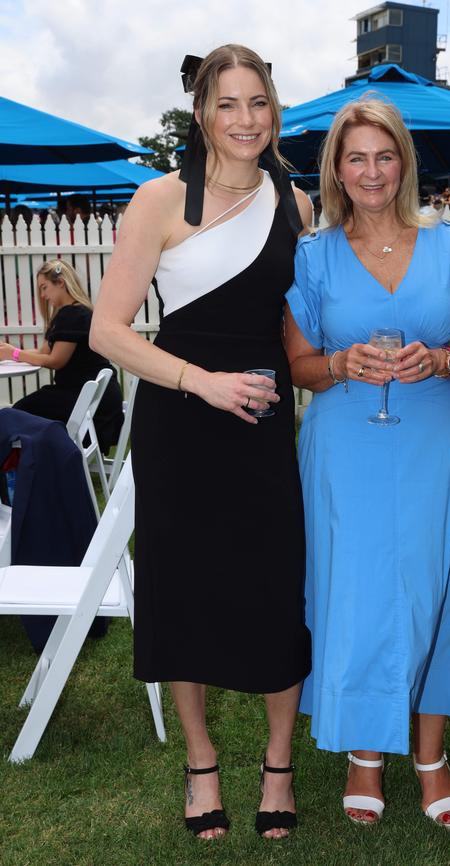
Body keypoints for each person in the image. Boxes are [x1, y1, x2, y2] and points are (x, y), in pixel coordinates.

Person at [90, 44, 312, 841]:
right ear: (202, 113)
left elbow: (296, 326)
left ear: (273, 111)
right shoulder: (158, 201)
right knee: (182, 590)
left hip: (261, 425)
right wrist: (202, 381)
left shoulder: (296, 203)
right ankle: (201, 761)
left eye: (259, 104)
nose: (246, 120)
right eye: (229, 104)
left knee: (274, 586)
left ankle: (280, 763)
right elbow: (109, 331)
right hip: (181, 423)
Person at [284, 98, 450, 830]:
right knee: (354, 594)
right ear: (337, 171)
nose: (372, 171)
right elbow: (298, 364)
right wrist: (339, 361)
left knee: (438, 586)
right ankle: (364, 754)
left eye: (385, 156)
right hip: (344, 445)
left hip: (431, 442)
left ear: (404, 163)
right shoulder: (312, 255)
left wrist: (441, 358)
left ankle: (430, 756)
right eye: (356, 158)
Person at [0, 260, 123, 455]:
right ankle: (34, 462)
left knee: (15, 414)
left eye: (44, 288)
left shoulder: (73, 315)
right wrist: (9, 351)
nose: (42, 295)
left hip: (86, 402)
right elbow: (43, 353)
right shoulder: (73, 313)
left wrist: (14, 353)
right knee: (19, 412)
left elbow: (56, 360)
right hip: (91, 397)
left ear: (61, 283)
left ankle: (23, 468)